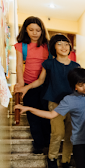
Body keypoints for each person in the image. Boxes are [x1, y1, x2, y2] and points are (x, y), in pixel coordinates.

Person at [15, 68, 85, 168]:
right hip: (79, 141)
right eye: (81, 85)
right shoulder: (69, 100)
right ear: (74, 86)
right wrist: (29, 109)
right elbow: (51, 115)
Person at [16, 34, 80, 168]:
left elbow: (80, 85)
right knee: (58, 132)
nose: (63, 47)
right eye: (59, 44)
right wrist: (26, 87)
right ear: (53, 47)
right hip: (55, 103)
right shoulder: (49, 64)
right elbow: (40, 81)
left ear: (70, 48)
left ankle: (66, 161)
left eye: (66, 44)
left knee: (70, 134)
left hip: (73, 104)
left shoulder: (76, 66)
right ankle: (52, 158)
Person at [14, 16, 51, 155]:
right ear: (26, 30)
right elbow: (18, 66)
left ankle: (47, 143)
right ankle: (38, 145)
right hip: (28, 84)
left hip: (45, 84)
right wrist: (21, 84)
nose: (35, 33)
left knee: (45, 115)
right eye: (31, 30)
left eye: (38, 30)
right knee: (32, 116)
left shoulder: (47, 45)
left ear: (42, 31)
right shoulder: (21, 46)